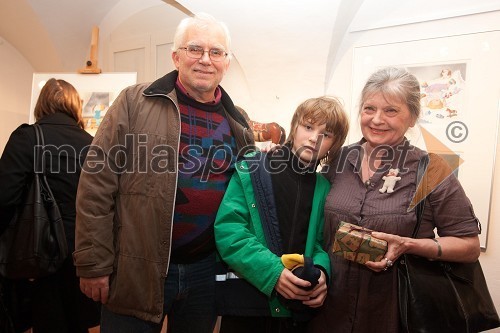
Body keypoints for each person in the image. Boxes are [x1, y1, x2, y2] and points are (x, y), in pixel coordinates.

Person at [73, 13, 255, 333]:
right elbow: (95, 187)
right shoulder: (134, 102)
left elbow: (246, 201)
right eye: (194, 49)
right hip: (135, 270)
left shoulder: (238, 123)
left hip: (205, 274)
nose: (205, 60)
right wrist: (93, 264)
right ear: (175, 56)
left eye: (216, 52)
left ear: (227, 62)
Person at [308, 67, 481, 332]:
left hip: (392, 314)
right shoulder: (338, 160)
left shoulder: (431, 170)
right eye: (369, 109)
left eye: (391, 111)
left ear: (412, 117)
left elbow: (468, 246)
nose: (377, 120)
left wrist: (408, 244)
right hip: (328, 310)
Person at [214, 96, 350, 333]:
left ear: (334, 144)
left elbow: (318, 243)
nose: (313, 138)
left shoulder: (322, 187)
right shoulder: (253, 167)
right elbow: (230, 231)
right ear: (294, 126)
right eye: (308, 127)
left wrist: (322, 274)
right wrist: (274, 273)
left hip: (296, 310)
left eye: (326, 134)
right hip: (247, 304)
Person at [0, 78, 100, 333]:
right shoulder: (93, 144)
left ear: (41, 104)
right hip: (85, 251)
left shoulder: (26, 138)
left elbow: (5, 198)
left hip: (38, 249)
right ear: (75, 107)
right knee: (78, 323)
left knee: (47, 321)